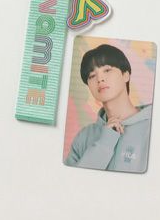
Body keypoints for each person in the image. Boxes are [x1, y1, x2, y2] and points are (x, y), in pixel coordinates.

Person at [65, 44, 152, 173]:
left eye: (107, 70)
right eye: (92, 75)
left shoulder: (152, 128)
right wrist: (104, 143)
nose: (100, 79)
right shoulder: (84, 136)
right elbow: (71, 181)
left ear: (126, 75)